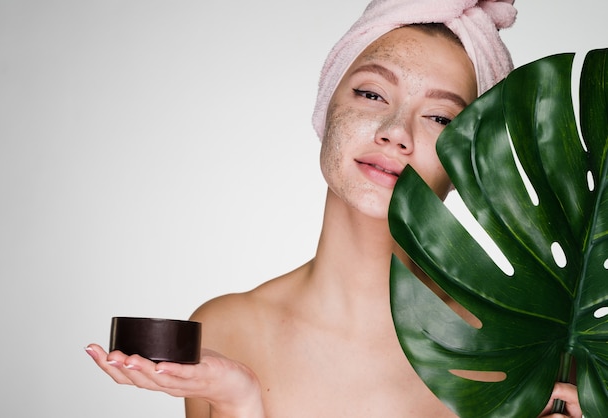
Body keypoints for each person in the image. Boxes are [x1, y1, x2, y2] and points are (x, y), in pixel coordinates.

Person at [85, 0, 582, 416]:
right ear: (327, 104)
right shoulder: (227, 328)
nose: (395, 131)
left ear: (470, 158)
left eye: (438, 117)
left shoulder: (518, 347)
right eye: (371, 92)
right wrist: (242, 402)